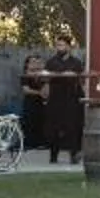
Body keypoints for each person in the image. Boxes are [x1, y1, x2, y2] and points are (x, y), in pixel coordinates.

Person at [40, 34, 84, 163]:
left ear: (69, 47)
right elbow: (45, 77)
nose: (59, 48)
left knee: (73, 126)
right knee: (54, 127)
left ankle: (74, 154)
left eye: (62, 45)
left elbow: (80, 79)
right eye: (57, 45)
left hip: (71, 97)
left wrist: (73, 75)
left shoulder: (76, 62)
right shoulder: (51, 62)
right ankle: (53, 156)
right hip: (56, 97)